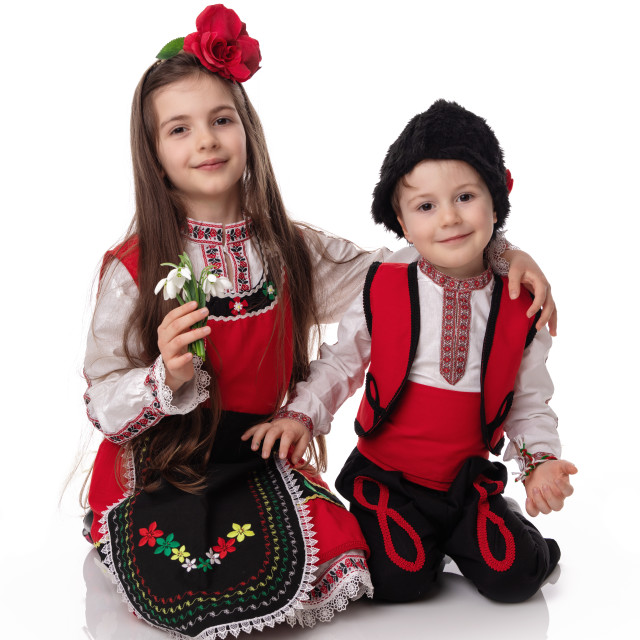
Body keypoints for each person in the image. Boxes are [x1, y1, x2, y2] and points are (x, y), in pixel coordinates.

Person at [82, 5, 556, 636]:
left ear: (247, 128)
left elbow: (409, 263)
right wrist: (160, 379)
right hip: (171, 458)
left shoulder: (288, 250)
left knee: (344, 553)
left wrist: (502, 251)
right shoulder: (134, 268)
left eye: (222, 119)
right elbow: (100, 393)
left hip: (259, 449)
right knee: (190, 572)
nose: (206, 140)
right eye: (179, 129)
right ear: (152, 151)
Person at [246, 99, 577, 605]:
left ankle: (477, 526)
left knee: (518, 576)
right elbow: (342, 361)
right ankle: (421, 542)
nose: (448, 218)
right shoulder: (385, 282)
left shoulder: (520, 303)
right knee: (397, 581)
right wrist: (301, 416)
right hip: (389, 478)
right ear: (400, 219)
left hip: (465, 483)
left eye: (465, 196)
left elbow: (529, 402)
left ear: (496, 199)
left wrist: (542, 464)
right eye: (425, 206)